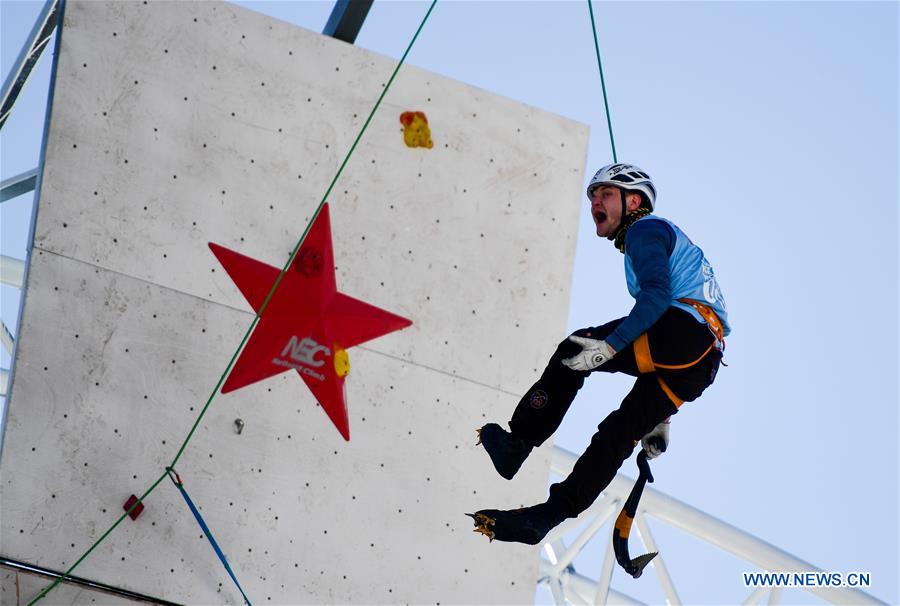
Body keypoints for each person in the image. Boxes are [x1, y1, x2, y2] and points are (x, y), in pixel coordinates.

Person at [468, 163, 730, 545]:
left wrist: (610, 346)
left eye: (605, 194)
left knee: (576, 350)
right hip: (700, 364)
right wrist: (662, 416)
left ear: (634, 200)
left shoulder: (645, 230)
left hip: (684, 332)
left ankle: (519, 442)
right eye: (592, 196)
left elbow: (656, 296)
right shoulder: (655, 239)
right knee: (617, 435)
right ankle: (548, 516)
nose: (595, 202)